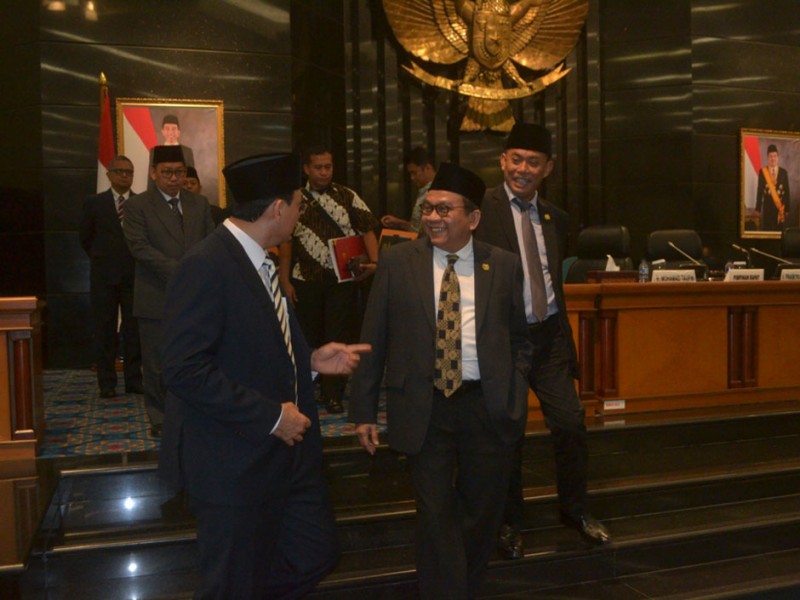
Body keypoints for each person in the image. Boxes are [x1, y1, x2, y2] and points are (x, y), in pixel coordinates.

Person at [159, 152, 370, 599]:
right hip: (233, 462)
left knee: (313, 553)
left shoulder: (261, 261)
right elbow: (183, 369)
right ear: (277, 208)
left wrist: (309, 362)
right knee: (232, 583)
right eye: (298, 204)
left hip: (285, 460)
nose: (300, 214)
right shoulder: (206, 263)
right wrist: (271, 417)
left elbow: (253, 347)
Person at [350, 162, 532, 599]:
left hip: (485, 406)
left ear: (473, 217)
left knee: (481, 512)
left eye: (444, 209)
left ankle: (462, 588)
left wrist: (513, 389)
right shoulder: (397, 261)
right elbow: (373, 337)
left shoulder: (503, 265)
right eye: (428, 208)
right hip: (424, 404)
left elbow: (521, 340)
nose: (432, 217)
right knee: (434, 513)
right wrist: (363, 410)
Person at [475, 122, 611, 556]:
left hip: (549, 336)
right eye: (516, 159)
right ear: (503, 161)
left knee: (570, 422)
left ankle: (575, 511)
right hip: (505, 339)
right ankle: (507, 522)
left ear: (547, 168)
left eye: (533, 162)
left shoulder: (556, 217)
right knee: (509, 433)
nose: (523, 169)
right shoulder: (479, 210)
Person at [279, 145, 380, 414]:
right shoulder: (295, 199)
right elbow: (286, 243)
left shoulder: (347, 196)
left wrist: (375, 262)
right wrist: (284, 281)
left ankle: (333, 394)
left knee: (338, 336)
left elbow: (367, 229)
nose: (324, 172)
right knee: (308, 337)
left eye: (328, 167)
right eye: (318, 167)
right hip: (305, 279)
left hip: (341, 281)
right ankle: (307, 391)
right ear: (306, 169)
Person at [123, 145, 215, 437]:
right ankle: (160, 416)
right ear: (153, 173)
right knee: (156, 362)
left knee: (196, 357)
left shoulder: (199, 204)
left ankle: (195, 411)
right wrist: (183, 271)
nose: (174, 178)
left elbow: (212, 242)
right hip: (156, 295)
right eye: (167, 173)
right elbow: (139, 248)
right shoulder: (138, 206)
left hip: (196, 296)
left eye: (179, 172)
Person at [79, 155, 143, 398]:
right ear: (109, 175)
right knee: (105, 329)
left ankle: (134, 380)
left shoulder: (141, 203)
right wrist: (102, 259)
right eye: (120, 171)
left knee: (134, 331)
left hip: (135, 276)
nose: (125, 176)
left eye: (129, 172)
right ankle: (107, 383)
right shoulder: (94, 203)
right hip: (104, 277)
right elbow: (85, 238)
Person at [380, 146, 437, 234]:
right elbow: (417, 228)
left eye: (414, 173)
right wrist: (400, 223)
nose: (412, 178)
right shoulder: (424, 190)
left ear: (427, 168)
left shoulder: (439, 192)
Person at [755, 144, 791, 231]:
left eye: (775, 156)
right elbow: (760, 191)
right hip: (767, 207)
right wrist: (758, 208)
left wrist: (787, 209)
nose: (773, 158)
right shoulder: (763, 172)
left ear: (778, 157)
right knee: (767, 230)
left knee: (779, 231)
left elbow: (787, 191)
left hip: (780, 208)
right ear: (767, 158)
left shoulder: (783, 172)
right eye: (770, 156)